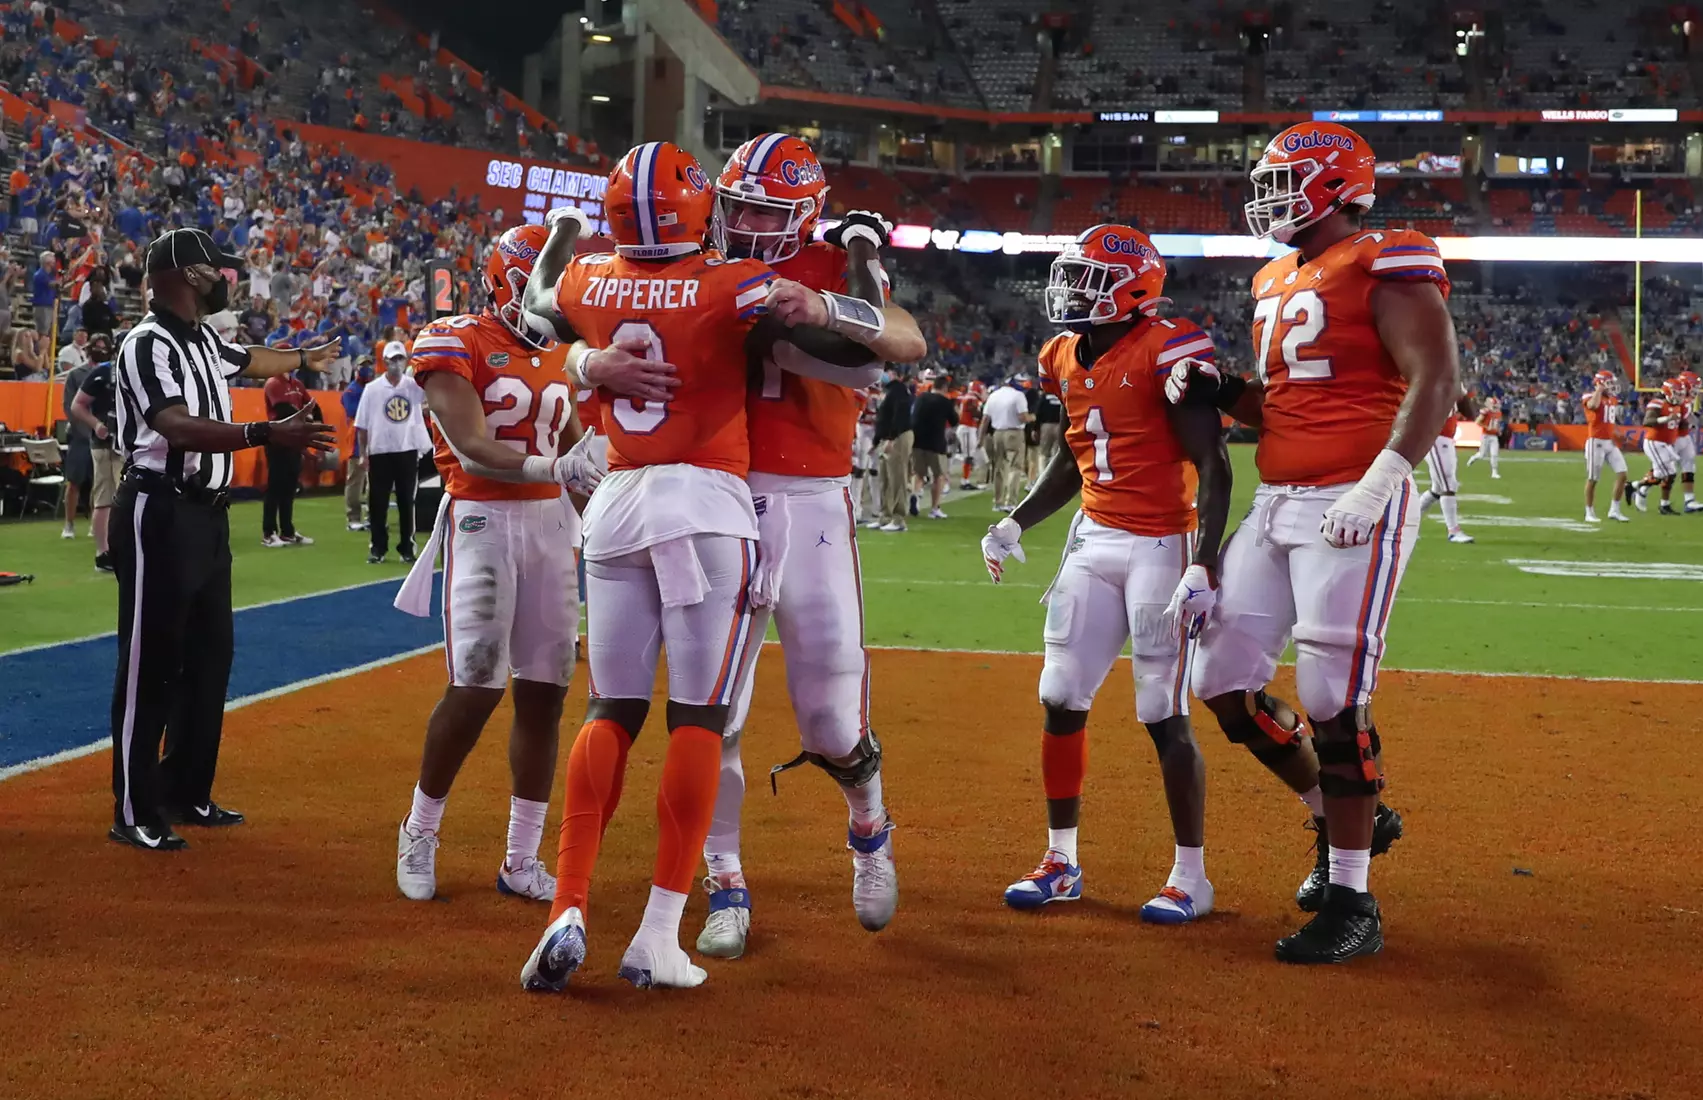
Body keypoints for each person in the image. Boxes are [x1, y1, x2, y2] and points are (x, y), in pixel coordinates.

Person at [515, 141, 878, 992]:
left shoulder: (590, 277)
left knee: (608, 709)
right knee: (701, 719)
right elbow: (862, 353)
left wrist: (570, 304)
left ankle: (568, 904)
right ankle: (655, 933)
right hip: (707, 504)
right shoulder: (732, 283)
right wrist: (852, 270)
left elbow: (536, 306)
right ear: (698, 209)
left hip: (615, 500)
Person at [1170, 120, 1456, 962]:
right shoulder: (1273, 275)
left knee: (1332, 700)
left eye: (1285, 180)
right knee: (1218, 679)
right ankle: (1338, 815)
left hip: (1351, 500)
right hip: (1281, 500)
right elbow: (1288, 405)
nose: (1267, 198)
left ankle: (1352, 900)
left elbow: (1437, 379)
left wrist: (1379, 483)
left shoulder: (1385, 257)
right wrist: (1225, 390)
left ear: (1336, 184)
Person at [694, 134, 927, 958]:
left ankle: (869, 826)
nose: (745, 220)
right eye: (739, 203)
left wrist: (850, 264)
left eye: (763, 206)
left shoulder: (831, 267)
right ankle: (723, 876)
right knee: (713, 709)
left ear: (803, 213)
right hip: (715, 493)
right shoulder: (700, 262)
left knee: (830, 718)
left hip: (812, 497)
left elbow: (881, 354)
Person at [981, 225, 1232, 924]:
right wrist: (1015, 521)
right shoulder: (1060, 352)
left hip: (1161, 541)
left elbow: (1214, 463)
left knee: (1160, 709)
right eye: (1071, 275)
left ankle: (1191, 876)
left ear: (1133, 289)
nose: (1070, 291)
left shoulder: (1167, 346)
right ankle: (1060, 860)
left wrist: (1205, 563)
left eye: (1089, 280)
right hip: (1092, 537)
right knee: (1059, 694)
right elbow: (1073, 452)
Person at [391, 224, 608, 904]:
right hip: (483, 519)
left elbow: (581, 462)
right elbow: (474, 445)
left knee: (545, 693)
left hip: (550, 528)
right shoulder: (457, 338)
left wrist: (612, 506)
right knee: (477, 686)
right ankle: (419, 831)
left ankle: (520, 859)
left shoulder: (561, 356)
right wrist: (559, 465)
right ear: (507, 280)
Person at [108, 227, 338, 852]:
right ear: (191, 275)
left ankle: (184, 790)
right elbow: (177, 427)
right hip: (159, 508)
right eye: (218, 271)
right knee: (150, 664)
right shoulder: (145, 343)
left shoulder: (204, 339)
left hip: (207, 515)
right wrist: (265, 432)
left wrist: (303, 358)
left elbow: (252, 359)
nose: (226, 280)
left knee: (209, 658)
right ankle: (133, 806)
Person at [356, 341, 430, 563]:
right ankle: (378, 547)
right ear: (385, 361)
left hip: (406, 450)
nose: (397, 363)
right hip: (380, 451)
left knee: (407, 501)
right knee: (377, 503)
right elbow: (362, 425)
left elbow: (432, 397)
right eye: (393, 359)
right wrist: (363, 453)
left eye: (401, 359)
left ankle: (407, 546)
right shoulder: (373, 389)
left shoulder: (413, 386)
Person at [260, 364, 316, 547]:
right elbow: (282, 409)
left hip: (294, 439)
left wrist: (315, 418)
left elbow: (312, 405)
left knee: (289, 487)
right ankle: (268, 532)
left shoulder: (297, 384)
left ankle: (287, 531)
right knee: (275, 487)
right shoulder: (273, 383)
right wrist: (305, 418)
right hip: (277, 438)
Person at [1417, 387, 1475, 543]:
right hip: (1435, 435)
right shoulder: (1428, 377)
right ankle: (1453, 531)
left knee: (1437, 489)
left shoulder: (1450, 378)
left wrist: (1461, 394)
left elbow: (1469, 413)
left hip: (1446, 437)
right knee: (1448, 485)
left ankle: (1405, 525)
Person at [1582, 369, 1631, 523]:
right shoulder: (1590, 396)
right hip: (1595, 442)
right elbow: (1593, 405)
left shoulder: (1612, 400)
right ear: (1600, 383)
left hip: (1609, 442)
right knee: (1593, 479)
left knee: (1623, 474)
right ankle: (1589, 512)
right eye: (1608, 383)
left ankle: (1614, 510)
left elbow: (1610, 421)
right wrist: (1599, 390)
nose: (1612, 386)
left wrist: (1618, 433)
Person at [909, 366, 956, 519]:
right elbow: (954, 420)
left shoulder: (921, 397)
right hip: (936, 443)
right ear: (944, 388)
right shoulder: (945, 402)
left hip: (917, 441)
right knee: (938, 476)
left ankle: (915, 495)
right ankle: (935, 508)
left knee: (918, 474)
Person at [1631, 378, 1683, 515]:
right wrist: (1666, 419)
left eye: (1680, 393)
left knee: (1666, 474)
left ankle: (1662, 504)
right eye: (1676, 393)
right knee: (1667, 473)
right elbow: (1647, 421)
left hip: (1666, 444)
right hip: (1655, 442)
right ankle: (1635, 486)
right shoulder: (1658, 403)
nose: (1679, 396)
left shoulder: (1677, 405)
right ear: (1667, 392)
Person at [871, 365, 913, 531]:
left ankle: (898, 519)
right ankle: (885, 516)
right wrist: (876, 441)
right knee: (885, 479)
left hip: (898, 437)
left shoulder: (899, 390)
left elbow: (900, 415)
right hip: (887, 438)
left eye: (885, 372)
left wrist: (891, 438)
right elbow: (883, 417)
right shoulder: (888, 390)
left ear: (893, 374)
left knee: (897, 477)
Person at [981, 375, 1031, 511]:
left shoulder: (994, 395)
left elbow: (985, 420)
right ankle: (1010, 502)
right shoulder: (1018, 395)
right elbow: (1022, 417)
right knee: (1015, 467)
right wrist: (1031, 418)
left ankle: (998, 502)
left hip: (997, 433)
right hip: (1014, 433)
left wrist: (980, 438)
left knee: (999, 468)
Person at [59, 350, 94, 540]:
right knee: (74, 481)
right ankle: (69, 524)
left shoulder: (110, 373)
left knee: (100, 483)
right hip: (80, 435)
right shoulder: (75, 374)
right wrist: (87, 431)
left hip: (101, 434)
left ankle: (95, 525)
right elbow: (69, 406)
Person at [341, 363, 372, 529]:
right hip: (356, 439)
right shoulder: (351, 391)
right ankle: (353, 517)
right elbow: (354, 412)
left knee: (373, 482)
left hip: (373, 437)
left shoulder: (371, 388)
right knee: (355, 480)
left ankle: (371, 516)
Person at [1673, 369, 1701, 512]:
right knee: (1663, 471)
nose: (1696, 389)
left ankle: (1689, 501)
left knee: (1689, 466)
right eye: (1693, 385)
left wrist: (1693, 419)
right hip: (1672, 438)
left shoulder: (1688, 399)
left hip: (1684, 437)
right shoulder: (1677, 398)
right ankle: (1639, 488)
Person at [955, 380, 986, 489]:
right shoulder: (972, 398)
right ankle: (965, 481)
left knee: (970, 455)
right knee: (968, 456)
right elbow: (974, 412)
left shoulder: (967, 397)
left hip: (968, 428)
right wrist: (985, 414)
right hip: (967, 428)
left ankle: (966, 479)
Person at [1467, 397, 1503, 478]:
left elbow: (1497, 424)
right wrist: (1486, 427)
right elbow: (1477, 421)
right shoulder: (1486, 412)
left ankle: (1494, 472)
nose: (1498, 406)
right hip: (1486, 436)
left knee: (1494, 454)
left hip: (1494, 436)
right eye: (1496, 404)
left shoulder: (1499, 413)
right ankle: (1474, 457)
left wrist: (1498, 430)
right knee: (1482, 455)